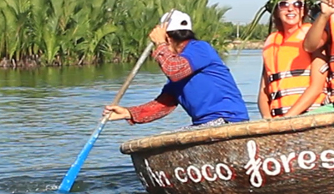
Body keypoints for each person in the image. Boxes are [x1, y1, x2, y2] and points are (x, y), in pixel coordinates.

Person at [105, 10, 249, 127]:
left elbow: (174, 70)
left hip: (227, 120)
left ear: (168, 38)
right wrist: (128, 113)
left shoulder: (200, 48)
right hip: (203, 124)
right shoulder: (178, 74)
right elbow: (163, 105)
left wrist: (160, 42)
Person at [257, 0, 330, 118]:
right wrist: (268, 121)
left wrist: (288, 118)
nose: (291, 8)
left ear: (303, 10)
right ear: (277, 11)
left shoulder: (313, 38)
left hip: (309, 117)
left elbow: (317, 87)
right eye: (284, 4)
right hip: (278, 120)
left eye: (297, 4)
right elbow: (263, 91)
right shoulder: (272, 41)